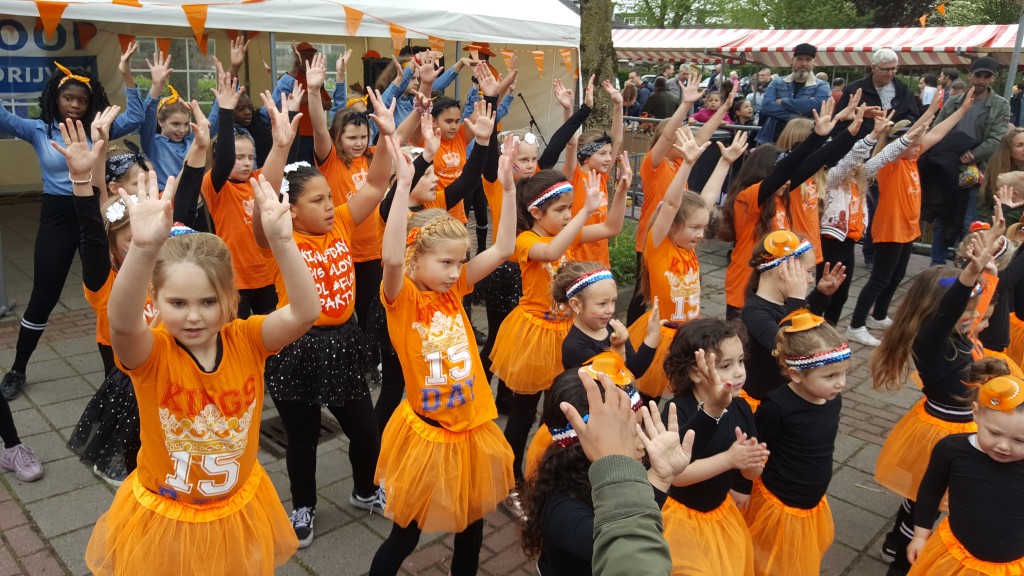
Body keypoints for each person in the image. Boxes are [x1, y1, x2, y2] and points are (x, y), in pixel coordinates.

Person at [85, 151, 321, 573]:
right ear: (155, 301)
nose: (193, 315)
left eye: (208, 302)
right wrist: (141, 249)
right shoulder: (152, 355)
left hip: (235, 509)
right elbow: (121, 326)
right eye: (178, 302)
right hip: (167, 519)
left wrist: (283, 243)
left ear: (230, 300)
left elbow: (304, 312)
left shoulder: (248, 339)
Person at [368, 136, 516, 576]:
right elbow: (391, 257)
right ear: (417, 260)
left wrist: (507, 190)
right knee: (404, 535)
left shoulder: (456, 290)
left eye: (459, 263)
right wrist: (404, 186)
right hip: (429, 438)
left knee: (471, 530)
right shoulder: (404, 298)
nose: (455, 273)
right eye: (446, 263)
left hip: (471, 433)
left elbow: (504, 249)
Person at [253, 110, 392, 546]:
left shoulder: (345, 223)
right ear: (289, 210)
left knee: (365, 430)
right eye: (317, 201)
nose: (330, 206)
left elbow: (374, 184)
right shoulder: (282, 237)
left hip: (345, 342)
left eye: (329, 198)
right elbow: (262, 216)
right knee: (302, 437)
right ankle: (304, 505)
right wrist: (278, 148)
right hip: (297, 348)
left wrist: (386, 137)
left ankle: (365, 489)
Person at [0, 55, 148, 401]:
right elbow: (4, 116)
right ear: (56, 97)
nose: (75, 105)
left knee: (111, 295)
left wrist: (127, 76)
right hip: (57, 216)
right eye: (69, 98)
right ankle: (17, 368)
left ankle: (116, 381)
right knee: (44, 296)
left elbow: (138, 116)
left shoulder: (101, 129)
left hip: (95, 213)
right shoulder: (38, 130)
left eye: (82, 100)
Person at [490, 165, 628, 514]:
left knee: (562, 410)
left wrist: (622, 189)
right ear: (536, 212)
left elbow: (611, 227)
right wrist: (582, 212)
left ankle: (549, 473)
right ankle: (510, 483)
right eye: (561, 210)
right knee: (522, 414)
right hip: (533, 336)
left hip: (568, 334)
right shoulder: (526, 241)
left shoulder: (567, 232)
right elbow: (550, 255)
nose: (568, 216)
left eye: (570, 208)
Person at [871, 229, 1000, 576]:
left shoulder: (960, 333)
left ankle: (894, 541)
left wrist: (989, 270)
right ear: (936, 309)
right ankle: (902, 563)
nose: (975, 316)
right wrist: (970, 279)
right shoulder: (931, 344)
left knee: (918, 495)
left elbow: (975, 303)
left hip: (959, 425)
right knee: (924, 503)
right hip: (939, 434)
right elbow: (951, 309)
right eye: (966, 308)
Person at [60, 106, 165, 486]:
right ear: (113, 249)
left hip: (166, 370)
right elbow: (92, 228)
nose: (144, 242)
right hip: (126, 369)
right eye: (131, 240)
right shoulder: (105, 280)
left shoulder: (165, 267)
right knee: (133, 443)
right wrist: (80, 177)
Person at [520, 366, 691, 575]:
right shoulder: (563, 511)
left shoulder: (612, 467)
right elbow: (623, 549)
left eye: (640, 427)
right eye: (629, 433)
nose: (642, 444)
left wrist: (660, 477)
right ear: (588, 445)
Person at [628, 128, 748, 402]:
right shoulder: (659, 245)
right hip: (662, 336)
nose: (700, 235)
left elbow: (704, 203)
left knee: (688, 396)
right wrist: (689, 164)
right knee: (648, 396)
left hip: (690, 336)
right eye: (694, 228)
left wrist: (725, 162)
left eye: (703, 228)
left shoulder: (687, 248)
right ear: (673, 225)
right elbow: (671, 203)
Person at [719, 95, 860, 317]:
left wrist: (849, 132)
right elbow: (787, 170)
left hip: (775, 290)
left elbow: (812, 163)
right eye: (781, 175)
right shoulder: (748, 199)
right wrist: (816, 137)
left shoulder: (781, 194)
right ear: (765, 173)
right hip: (745, 291)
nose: (788, 181)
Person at [846, 96, 968, 347]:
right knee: (880, 278)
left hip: (907, 229)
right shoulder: (890, 163)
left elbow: (937, 133)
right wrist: (930, 112)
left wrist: (962, 109)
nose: (919, 146)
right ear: (899, 144)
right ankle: (855, 325)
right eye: (913, 143)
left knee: (897, 275)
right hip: (891, 229)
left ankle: (879, 315)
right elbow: (911, 137)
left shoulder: (911, 160)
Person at [660, 318, 769, 575]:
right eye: (726, 365)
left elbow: (751, 474)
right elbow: (677, 476)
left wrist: (752, 464)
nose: (739, 372)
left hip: (720, 513)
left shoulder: (741, 407)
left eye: (741, 361)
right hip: (680, 518)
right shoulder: (678, 412)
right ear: (696, 372)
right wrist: (730, 459)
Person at [625, 72, 733, 325]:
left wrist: (723, 110)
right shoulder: (654, 165)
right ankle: (631, 336)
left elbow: (702, 137)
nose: (688, 144)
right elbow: (664, 137)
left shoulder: (679, 165)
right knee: (643, 295)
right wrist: (685, 105)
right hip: (653, 237)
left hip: (675, 237)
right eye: (681, 139)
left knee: (665, 291)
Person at [746, 311, 848, 575]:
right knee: (766, 560)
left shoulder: (832, 399)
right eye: (830, 376)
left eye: (843, 373)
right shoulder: (777, 406)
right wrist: (741, 486)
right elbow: (754, 447)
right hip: (779, 502)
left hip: (811, 501)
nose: (841, 383)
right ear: (797, 375)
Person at [201, 63, 300, 318]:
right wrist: (225, 112)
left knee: (271, 341)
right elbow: (223, 160)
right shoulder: (215, 185)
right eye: (239, 157)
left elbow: (283, 162)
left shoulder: (258, 181)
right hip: (236, 280)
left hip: (267, 274)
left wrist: (285, 135)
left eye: (249, 157)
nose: (246, 162)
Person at [904, 375, 1024, 576]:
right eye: (994, 433)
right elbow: (931, 490)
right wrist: (920, 536)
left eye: (1019, 441)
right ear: (976, 414)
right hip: (952, 556)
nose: (1003, 446)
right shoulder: (952, 449)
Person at [741, 230, 843, 404]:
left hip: (781, 397)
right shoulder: (755, 312)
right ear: (784, 270)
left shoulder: (782, 303)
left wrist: (820, 294)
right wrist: (796, 299)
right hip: (764, 404)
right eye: (809, 271)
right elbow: (791, 346)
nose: (811, 280)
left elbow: (802, 321)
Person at [928, 57, 1011, 266]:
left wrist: (972, 154)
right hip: (949, 167)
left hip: (979, 171)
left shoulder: (1000, 105)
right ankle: (936, 265)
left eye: (986, 76)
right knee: (943, 218)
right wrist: (954, 152)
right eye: (978, 75)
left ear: (992, 78)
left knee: (970, 222)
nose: (981, 80)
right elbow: (938, 129)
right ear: (970, 74)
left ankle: (962, 266)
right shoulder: (953, 101)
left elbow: (996, 139)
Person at [819, 110, 892, 326]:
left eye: (862, 161)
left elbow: (886, 155)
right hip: (830, 241)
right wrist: (871, 136)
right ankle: (816, 326)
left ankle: (830, 328)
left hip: (849, 242)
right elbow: (848, 161)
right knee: (826, 290)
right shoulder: (832, 178)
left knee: (842, 294)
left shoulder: (859, 178)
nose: (859, 164)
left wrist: (919, 128)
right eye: (856, 159)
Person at [555, 263, 658, 377]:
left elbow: (634, 371)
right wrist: (618, 347)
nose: (610, 310)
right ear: (576, 305)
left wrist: (652, 335)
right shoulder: (575, 347)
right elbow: (616, 381)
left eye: (613, 301)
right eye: (602, 303)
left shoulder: (611, 327)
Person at [564, 80, 625, 267]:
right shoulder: (573, 176)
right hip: (576, 257)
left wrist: (618, 106)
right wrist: (567, 111)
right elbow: (570, 142)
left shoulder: (601, 175)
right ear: (586, 157)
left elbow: (617, 139)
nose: (609, 158)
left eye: (609, 153)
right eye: (602, 154)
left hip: (600, 257)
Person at [756, 43, 830, 145]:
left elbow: (816, 107)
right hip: (771, 140)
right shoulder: (777, 82)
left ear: (814, 62)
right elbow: (766, 107)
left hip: (803, 143)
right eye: (799, 59)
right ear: (792, 61)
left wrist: (783, 102)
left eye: (808, 59)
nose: (803, 63)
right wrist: (801, 116)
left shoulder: (822, 86)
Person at [836, 49, 920, 139]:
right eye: (886, 69)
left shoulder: (903, 90)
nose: (890, 73)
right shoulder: (854, 89)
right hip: (860, 144)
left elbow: (913, 117)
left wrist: (896, 129)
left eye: (894, 69)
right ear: (873, 68)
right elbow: (839, 120)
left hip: (893, 144)